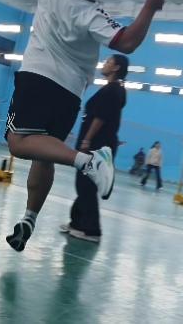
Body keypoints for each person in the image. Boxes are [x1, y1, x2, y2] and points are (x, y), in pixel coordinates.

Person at [4, 0, 165, 253]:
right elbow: (128, 41)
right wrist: (150, 7)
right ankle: (29, 218)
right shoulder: (95, 15)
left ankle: (88, 161)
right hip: (70, 94)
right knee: (44, 153)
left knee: (18, 143)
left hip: (37, 78)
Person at [61, 55, 128, 243]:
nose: (104, 64)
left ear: (116, 67)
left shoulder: (112, 90)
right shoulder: (114, 90)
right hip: (98, 144)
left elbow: (100, 118)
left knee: (86, 185)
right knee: (84, 184)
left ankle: (92, 231)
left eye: (108, 62)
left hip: (95, 145)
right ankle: (77, 224)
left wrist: (87, 141)